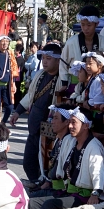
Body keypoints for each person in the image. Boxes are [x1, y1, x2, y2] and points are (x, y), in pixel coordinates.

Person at [29, 107, 104, 209]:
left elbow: (98, 171)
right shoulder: (73, 143)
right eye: (69, 122)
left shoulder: (93, 147)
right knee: (30, 203)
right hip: (69, 192)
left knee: (50, 205)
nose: (70, 126)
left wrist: (95, 193)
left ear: (86, 125)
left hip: (83, 197)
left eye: (74, 123)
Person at [13, 43, 63, 183]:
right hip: (34, 126)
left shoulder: (63, 78)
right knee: (28, 163)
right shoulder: (40, 74)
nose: (45, 61)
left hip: (49, 128)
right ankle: (36, 183)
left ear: (58, 60)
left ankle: (43, 185)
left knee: (46, 164)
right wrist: (17, 112)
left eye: (49, 58)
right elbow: (31, 95)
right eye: (43, 58)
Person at [60, 7, 104, 87]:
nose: (85, 28)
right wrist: (64, 83)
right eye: (83, 24)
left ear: (96, 24)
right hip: (75, 83)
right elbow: (63, 64)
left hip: (98, 84)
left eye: (89, 25)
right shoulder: (71, 42)